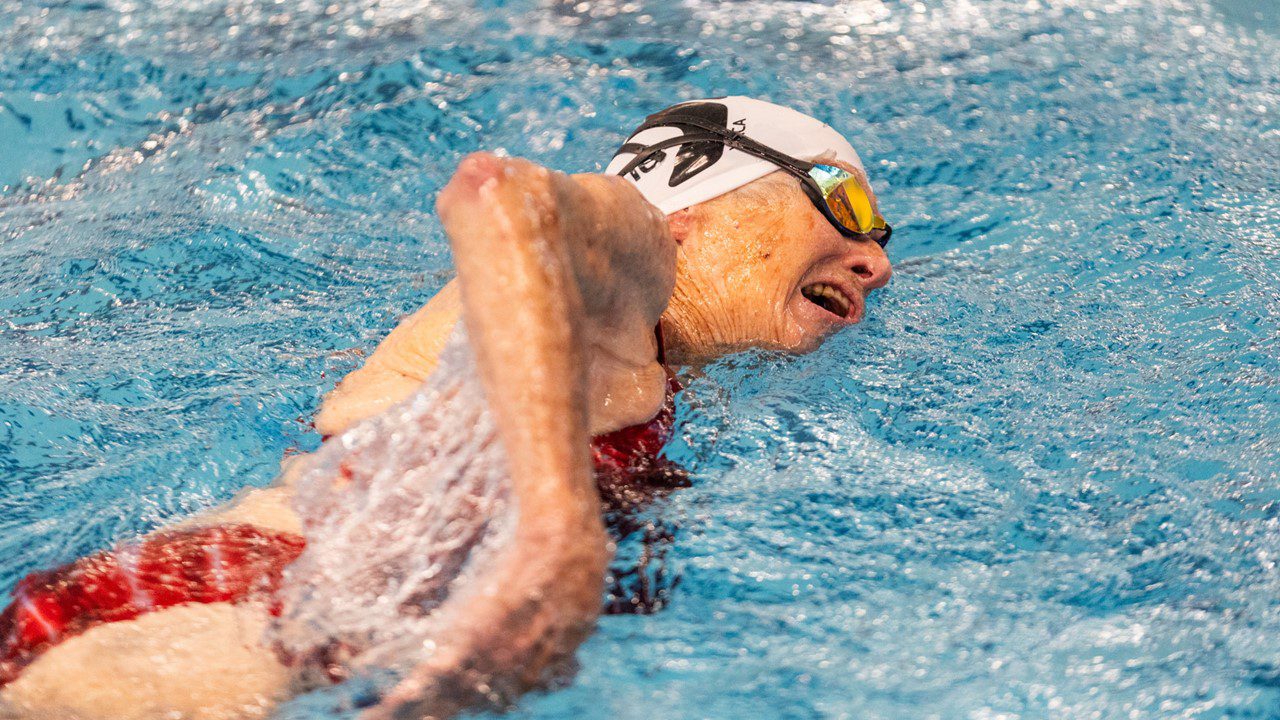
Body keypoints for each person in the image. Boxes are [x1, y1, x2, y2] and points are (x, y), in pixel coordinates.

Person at [0, 97, 892, 720]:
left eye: (882, 240)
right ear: (693, 197)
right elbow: (502, 197)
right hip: (219, 617)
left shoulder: (636, 357)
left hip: (292, 632)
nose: (873, 259)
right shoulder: (636, 248)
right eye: (843, 203)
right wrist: (556, 533)